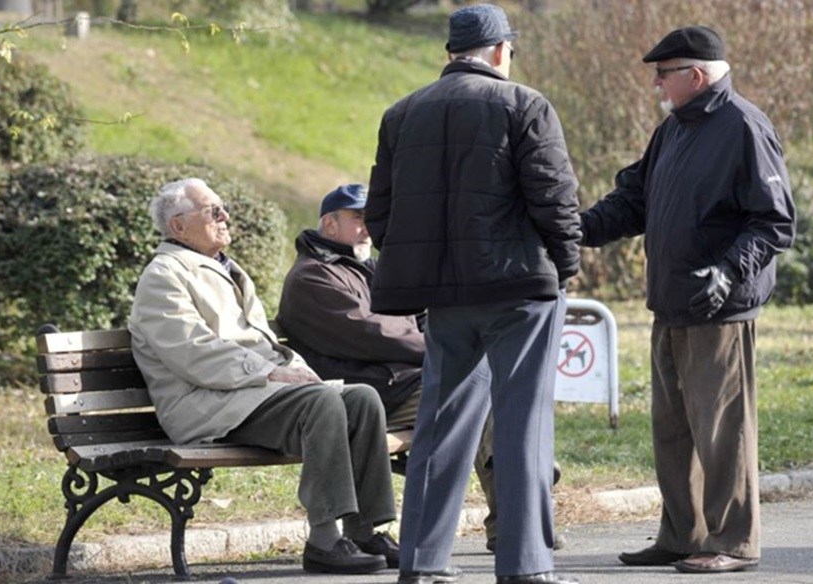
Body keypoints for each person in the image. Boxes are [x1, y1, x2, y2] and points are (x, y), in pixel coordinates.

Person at [366, 4, 582, 584]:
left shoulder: (402, 113)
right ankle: (526, 566)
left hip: (444, 297)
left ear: (451, 51)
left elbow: (379, 215)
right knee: (522, 425)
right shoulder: (525, 105)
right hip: (518, 290)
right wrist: (565, 266)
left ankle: (422, 562)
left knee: (440, 425)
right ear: (500, 51)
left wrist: (422, 269)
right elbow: (554, 199)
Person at [580, 26, 795, 574]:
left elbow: (774, 221)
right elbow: (633, 200)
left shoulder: (744, 126)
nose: (656, 83)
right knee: (674, 432)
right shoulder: (674, 128)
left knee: (723, 432)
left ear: (695, 76)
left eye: (663, 73)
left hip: (719, 310)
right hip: (671, 304)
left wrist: (728, 270)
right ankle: (683, 535)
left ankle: (734, 542)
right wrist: (574, 229)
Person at [128, 177, 400, 575]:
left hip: (244, 395)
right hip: (203, 404)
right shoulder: (164, 276)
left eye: (222, 207)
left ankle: (364, 530)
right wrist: (271, 373)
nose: (225, 216)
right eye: (212, 211)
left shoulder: (225, 268)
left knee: (361, 399)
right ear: (178, 227)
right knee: (322, 404)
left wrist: (294, 370)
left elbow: (263, 342)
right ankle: (324, 539)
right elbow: (194, 354)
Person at [275, 183, 505, 553]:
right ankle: (519, 493)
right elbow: (373, 334)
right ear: (330, 225)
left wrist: (435, 337)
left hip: (398, 383)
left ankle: (514, 505)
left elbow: (421, 315)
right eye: (358, 218)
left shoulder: (370, 268)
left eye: (373, 218)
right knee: (476, 392)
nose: (369, 227)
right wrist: (446, 349)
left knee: (482, 388)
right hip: (365, 395)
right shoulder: (312, 277)